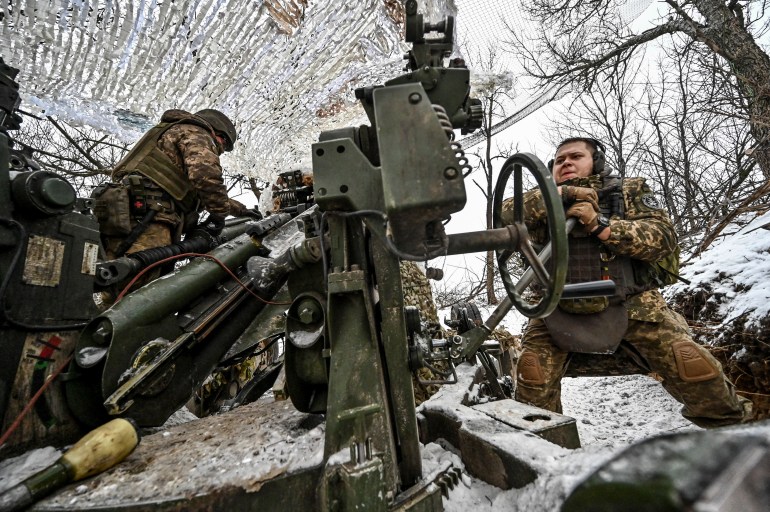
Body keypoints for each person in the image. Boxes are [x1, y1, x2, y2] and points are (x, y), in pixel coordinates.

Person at [502, 137, 752, 428]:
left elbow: (662, 239)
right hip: (554, 311)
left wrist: (600, 225)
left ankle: (740, 436)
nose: (566, 163)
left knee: (697, 371)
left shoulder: (629, 190)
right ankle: (544, 456)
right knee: (533, 382)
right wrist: (558, 195)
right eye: (559, 160)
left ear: (596, 162)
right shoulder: (539, 202)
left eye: (575, 156)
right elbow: (504, 213)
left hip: (633, 305)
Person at [93, 109, 259, 298]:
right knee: (142, 285)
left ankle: (103, 324)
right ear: (218, 134)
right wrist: (219, 214)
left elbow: (197, 190)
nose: (220, 149)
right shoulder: (197, 132)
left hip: (125, 214)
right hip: (150, 217)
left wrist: (241, 210)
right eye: (223, 144)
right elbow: (206, 177)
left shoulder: (173, 133)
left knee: (116, 281)